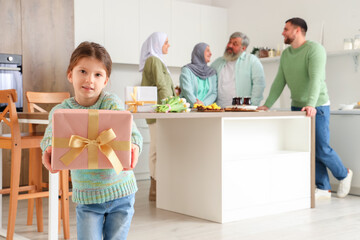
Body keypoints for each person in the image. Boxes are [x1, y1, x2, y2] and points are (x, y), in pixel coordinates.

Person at [40, 41, 143, 240]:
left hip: (122, 192)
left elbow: (133, 134)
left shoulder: (111, 103)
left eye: (98, 74)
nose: (90, 80)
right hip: (88, 197)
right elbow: (50, 138)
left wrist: (134, 148)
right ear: (70, 74)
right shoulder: (61, 112)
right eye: (83, 71)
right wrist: (49, 150)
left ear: (105, 81)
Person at [258, 17, 353, 199]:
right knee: (309, 148)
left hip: (317, 105)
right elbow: (280, 81)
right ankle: (323, 187)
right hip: (298, 106)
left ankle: (343, 174)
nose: (283, 33)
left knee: (321, 148)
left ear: (297, 30)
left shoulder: (315, 49)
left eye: (286, 29)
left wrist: (311, 104)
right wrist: (267, 104)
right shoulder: (286, 54)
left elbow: (316, 79)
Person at [140, 32, 175, 201]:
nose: (169, 45)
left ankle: (158, 187)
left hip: (162, 111)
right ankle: (155, 189)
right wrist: (172, 104)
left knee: (158, 149)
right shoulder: (153, 60)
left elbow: (164, 85)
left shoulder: (157, 60)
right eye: (166, 42)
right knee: (156, 150)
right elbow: (161, 85)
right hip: (159, 112)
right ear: (158, 43)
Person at [211, 32, 265, 107]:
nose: (230, 45)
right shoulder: (217, 62)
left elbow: (259, 85)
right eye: (229, 42)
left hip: (241, 110)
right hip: (219, 109)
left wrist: (253, 106)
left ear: (243, 48)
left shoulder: (252, 61)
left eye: (235, 44)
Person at [179, 42, 217, 107]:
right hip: (188, 110)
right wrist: (196, 104)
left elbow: (214, 93)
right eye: (207, 50)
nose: (210, 54)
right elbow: (187, 91)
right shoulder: (187, 70)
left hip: (205, 110)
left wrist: (204, 104)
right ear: (200, 52)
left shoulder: (212, 73)